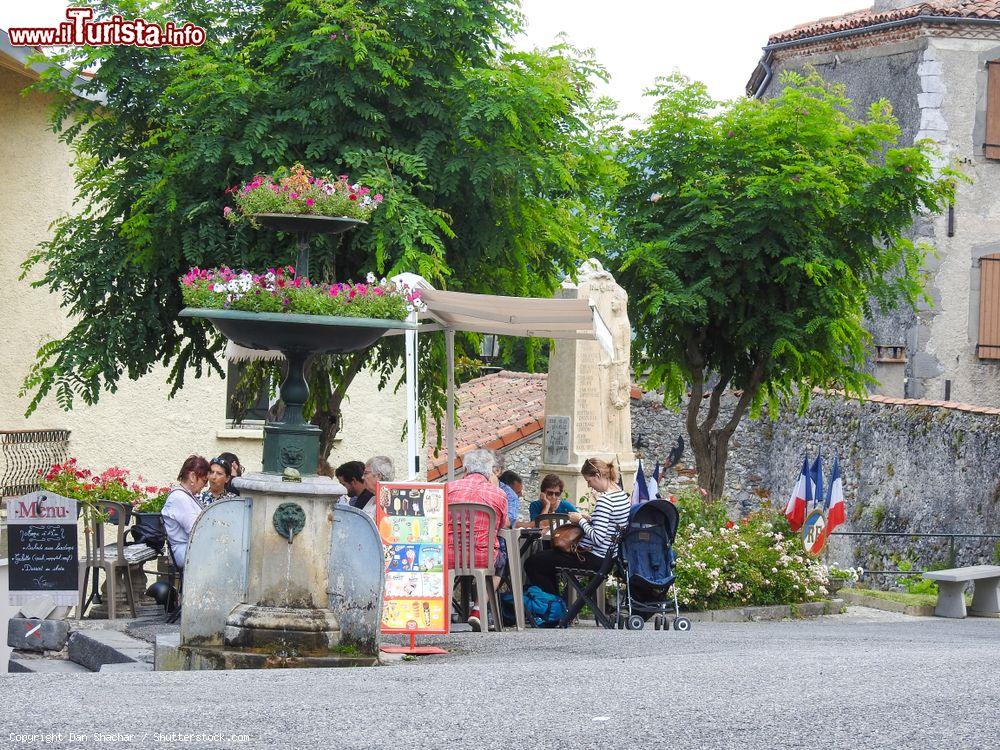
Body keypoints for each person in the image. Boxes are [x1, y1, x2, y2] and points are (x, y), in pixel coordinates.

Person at [524, 458, 630, 597]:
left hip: (591, 557)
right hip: (608, 558)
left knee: (533, 563)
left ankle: (555, 608)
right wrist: (591, 519)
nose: (589, 486)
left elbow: (598, 538)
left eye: (589, 481)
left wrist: (580, 520)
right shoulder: (621, 495)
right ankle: (558, 605)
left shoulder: (605, 500)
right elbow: (611, 524)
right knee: (546, 559)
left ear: (597, 476)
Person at [446, 449, 509, 630]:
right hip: (484, 558)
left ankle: (443, 611)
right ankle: (479, 609)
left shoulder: (448, 489)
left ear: (465, 468)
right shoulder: (499, 494)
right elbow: (501, 525)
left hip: (448, 557)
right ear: (490, 471)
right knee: (501, 559)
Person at [161, 455, 210, 570]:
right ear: (193, 476)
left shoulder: (186, 496)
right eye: (204, 480)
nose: (206, 485)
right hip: (185, 551)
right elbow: (196, 530)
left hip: (190, 549)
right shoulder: (180, 498)